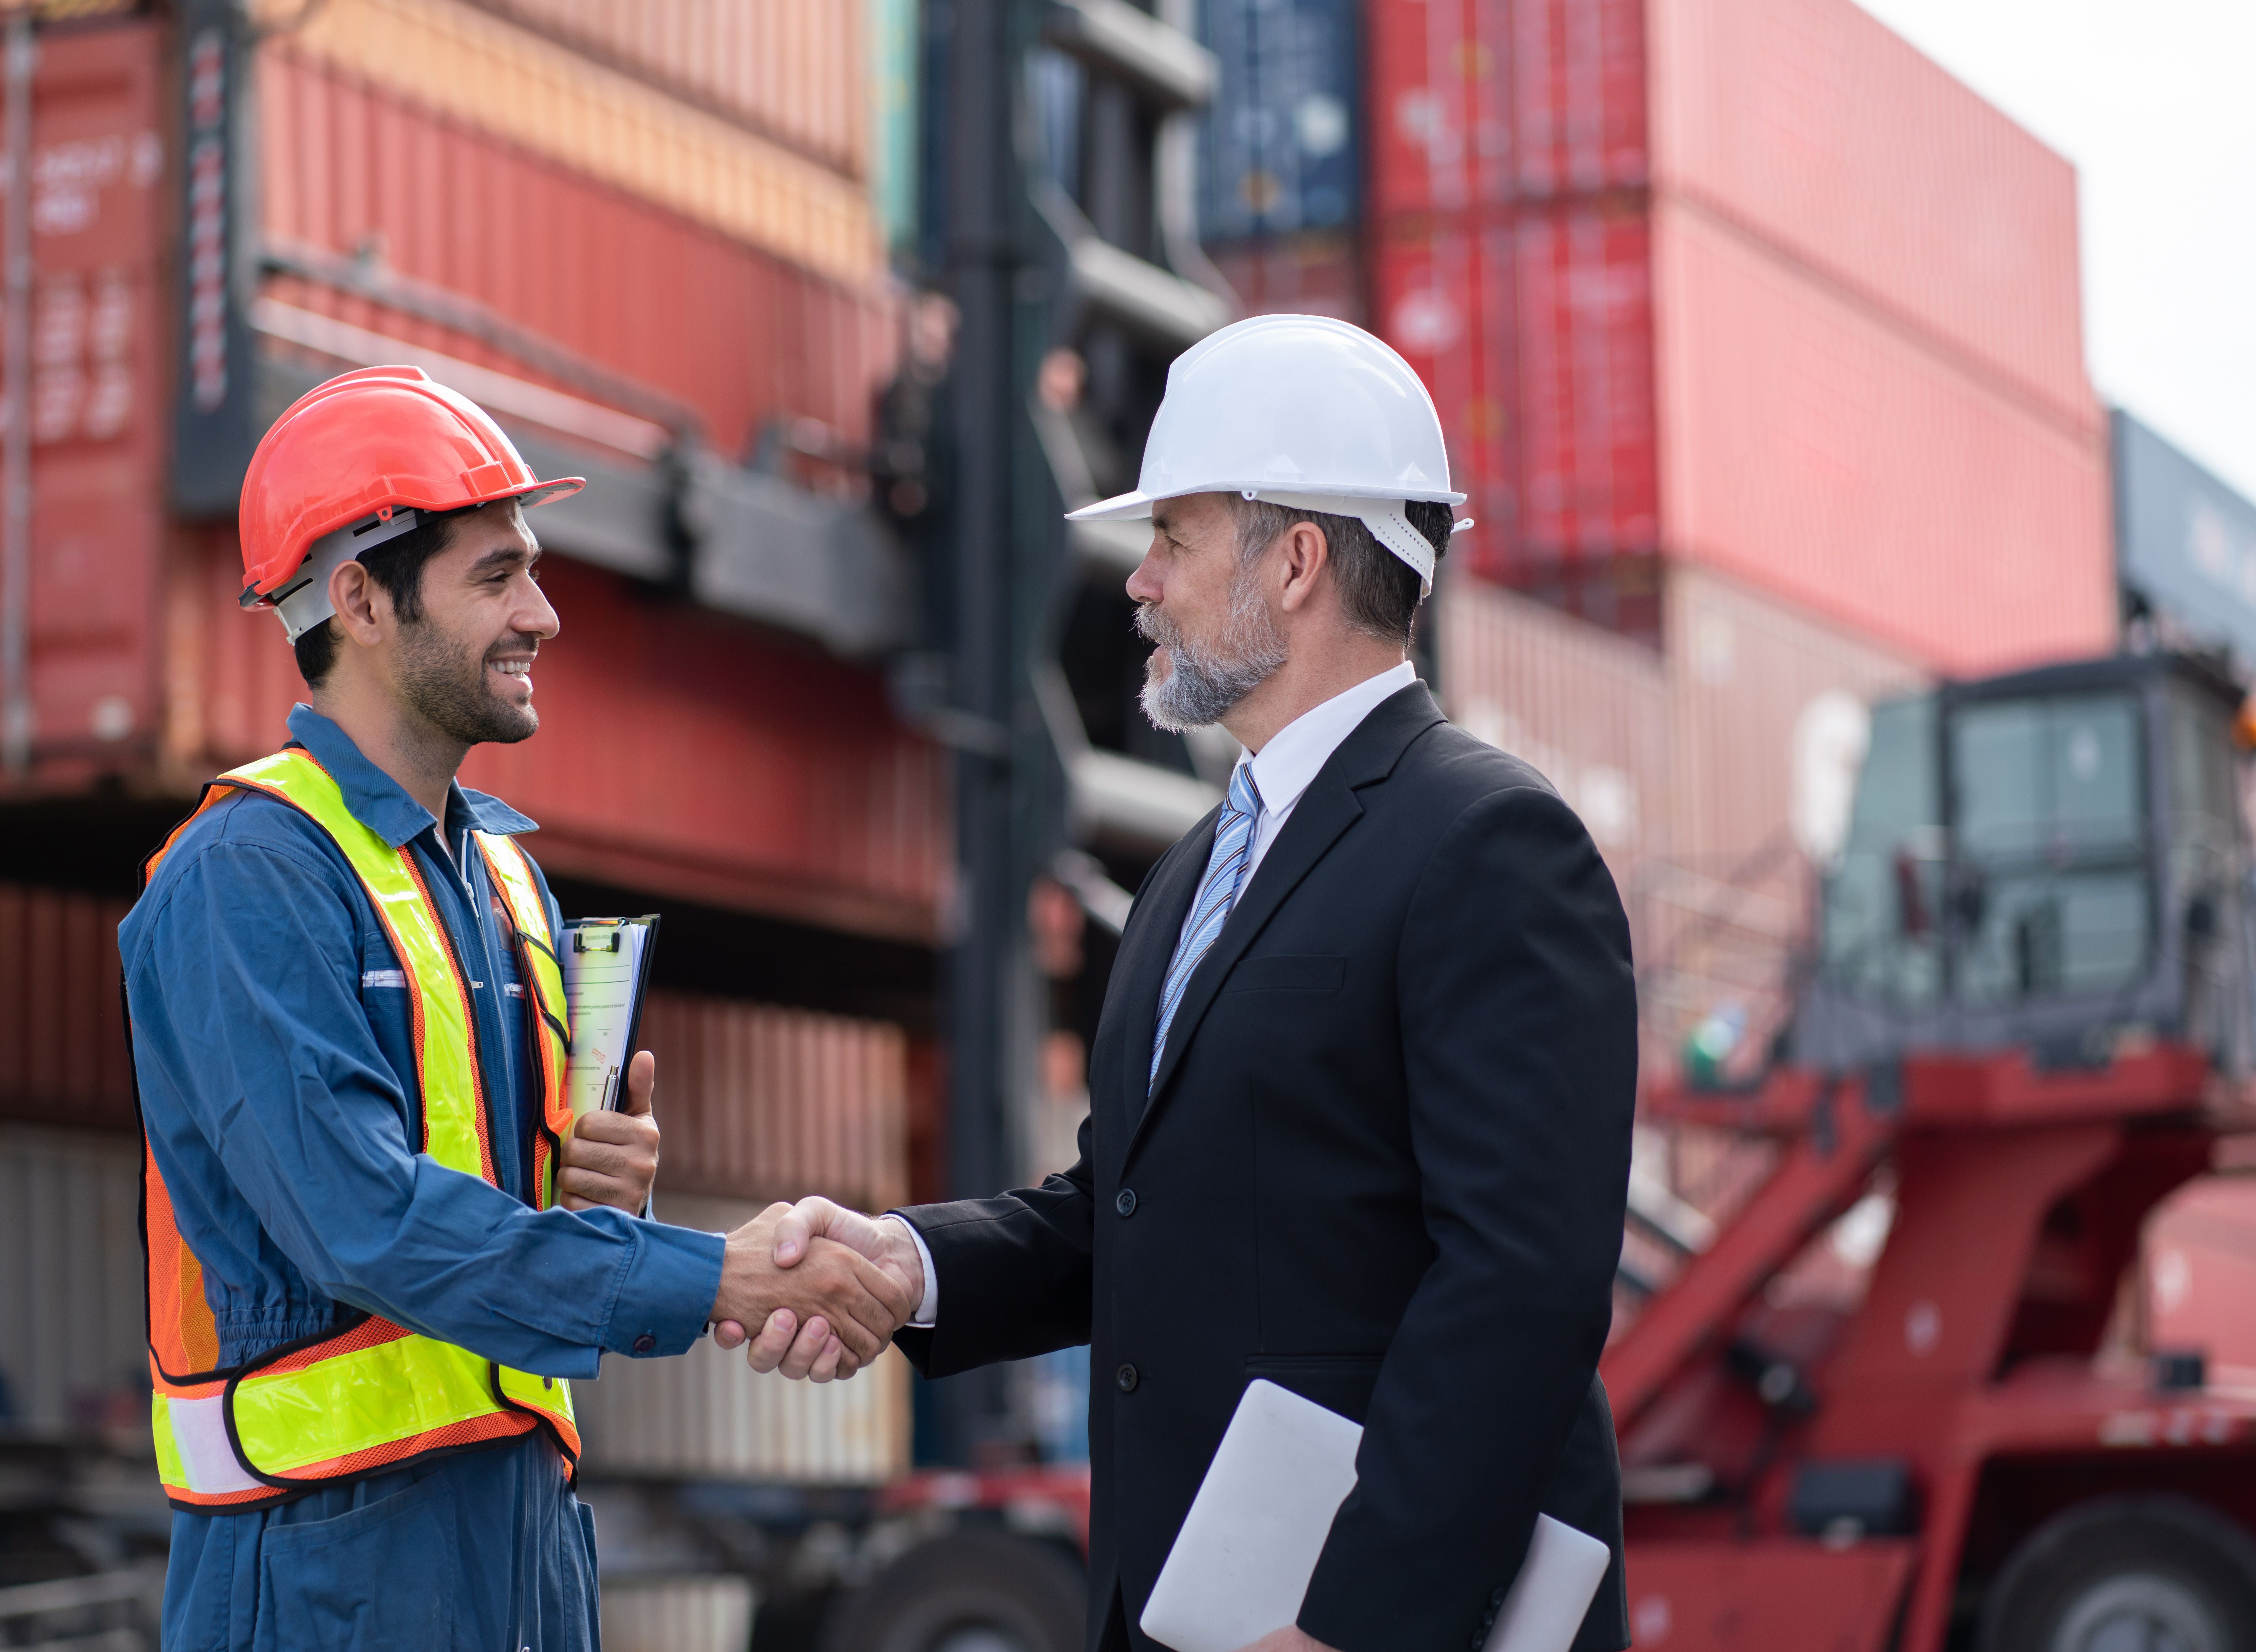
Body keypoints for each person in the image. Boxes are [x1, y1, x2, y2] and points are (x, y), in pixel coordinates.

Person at [737, 316, 1639, 1652]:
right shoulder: (1196, 868)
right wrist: (906, 1265)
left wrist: (1356, 1624)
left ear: (1293, 562)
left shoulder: (1488, 843)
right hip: (1188, 1612)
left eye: (1173, 539)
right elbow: (1129, 1213)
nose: (1138, 582)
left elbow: (1520, 1283)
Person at [123, 366, 910, 1651]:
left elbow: (512, 1225)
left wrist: (606, 1193)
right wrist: (712, 1273)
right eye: (496, 577)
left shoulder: (506, 881)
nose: (544, 615)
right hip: (324, 1567)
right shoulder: (242, 880)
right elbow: (364, 1222)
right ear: (363, 600)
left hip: (523, 1543)